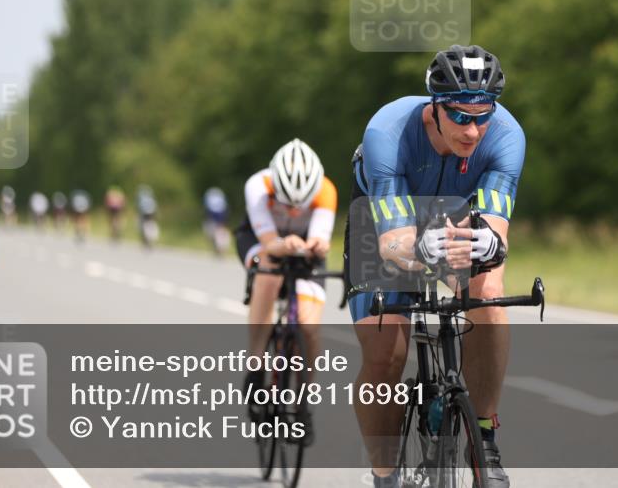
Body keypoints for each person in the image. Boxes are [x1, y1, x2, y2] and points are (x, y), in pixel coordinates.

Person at [344, 45, 523, 488]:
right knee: (386, 353)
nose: (473, 129)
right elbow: (392, 243)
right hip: (383, 216)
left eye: (483, 115)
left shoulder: (507, 136)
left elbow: (496, 225)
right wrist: (420, 249)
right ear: (434, 108)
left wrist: (489, 243)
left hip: (454, 212)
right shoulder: (387, 131)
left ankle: (484, 439)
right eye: (460, 116)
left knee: (488, 295)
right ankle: (385, 473)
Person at [233, 138, 337, 444]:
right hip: (259, 241)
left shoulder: (326, 190)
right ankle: (256, 365)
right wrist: (283, 244)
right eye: (286, 203)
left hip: (304, 248)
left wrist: (316, 244)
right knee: (270, 268)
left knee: (308, 325)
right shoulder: (258, 185)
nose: (292, 211)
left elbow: (320, 239)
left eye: (299, 205)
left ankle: (303, 407)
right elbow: (268, 241)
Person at [202, 186, 230, 254]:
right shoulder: (217, 204)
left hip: (217, 222)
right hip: (213, 221)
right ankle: (218, 248)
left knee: (219, 234)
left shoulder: (218, 205)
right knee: (214, 234)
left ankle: (220, 248)